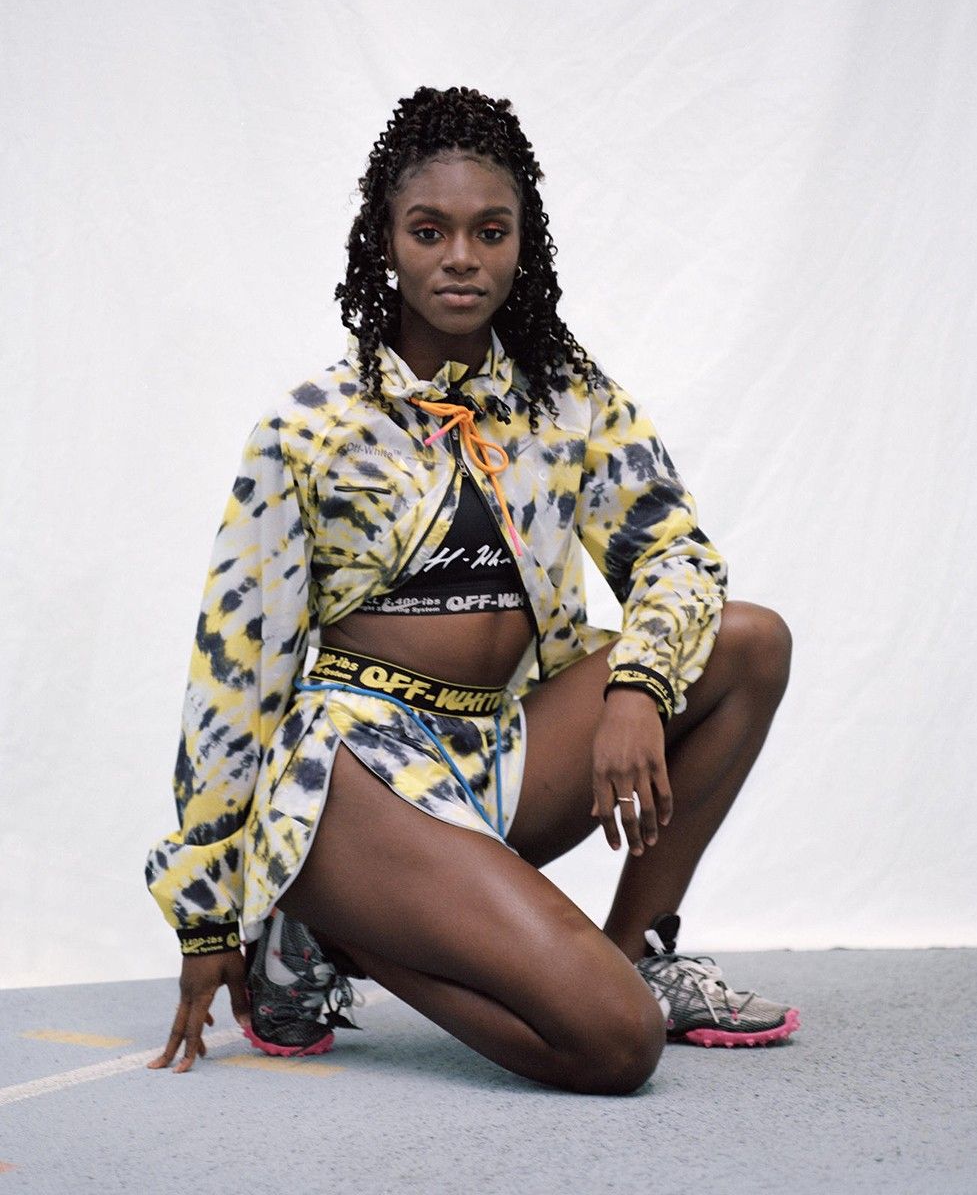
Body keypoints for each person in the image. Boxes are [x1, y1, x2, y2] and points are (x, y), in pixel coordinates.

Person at [145, 86, 797, 1094]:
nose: (460, 257)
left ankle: (632, 951)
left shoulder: (566, 397)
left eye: (489, 231)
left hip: (496, 747)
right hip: (352, 772)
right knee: (613, 1045)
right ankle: (321, 913)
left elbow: (676, 556)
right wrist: (205, 917)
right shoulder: (310, 428)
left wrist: (637, 686)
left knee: (749, 643)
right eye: (429, 230)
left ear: (521, 244)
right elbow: (233, 674)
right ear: (386, 242)